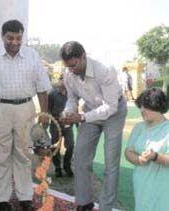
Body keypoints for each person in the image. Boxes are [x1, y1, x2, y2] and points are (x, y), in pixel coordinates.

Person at [0, 19, 51, 211]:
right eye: (10, 38)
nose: (15, 42)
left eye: (18, 38)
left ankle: (25, 197)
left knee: (24, 154)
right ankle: (2, 199)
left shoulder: (32, 55)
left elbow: (42, 88)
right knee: (0, 155)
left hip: (25, 108)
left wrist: (44, 113)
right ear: (3, 36)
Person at [59, 41, 127, 211]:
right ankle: (84, 202)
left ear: (83, 56)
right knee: (81, 158)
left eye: (74, 65)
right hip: (89, 111)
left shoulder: (104, 69)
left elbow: (110, 107)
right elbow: (72, 99)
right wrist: (67, 112)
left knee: (110, 164)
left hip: (114, 112)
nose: (71, 70)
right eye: (68, 67)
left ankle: (105, 207)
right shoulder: (69, 74)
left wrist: (82, 117)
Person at [125, 88, 169, 211]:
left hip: (164, 185)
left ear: (159, 107)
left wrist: (155, 156)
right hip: (142, 182)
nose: (142, 110)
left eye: (147, 106)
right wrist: (138, 159)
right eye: (141, 106)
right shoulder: (139, 127)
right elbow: (128, 151)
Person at [48, 74, 74, 177]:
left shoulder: (72, 95)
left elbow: (74, 107)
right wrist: (53, 118)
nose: (65, 82)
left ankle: (67, 166)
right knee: (55, 146)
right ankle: (57, 168)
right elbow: (48, 109)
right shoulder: (52, 95)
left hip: (68, 124)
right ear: (59, 81)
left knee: (70, 145)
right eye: (63, 79)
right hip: (55, 124)